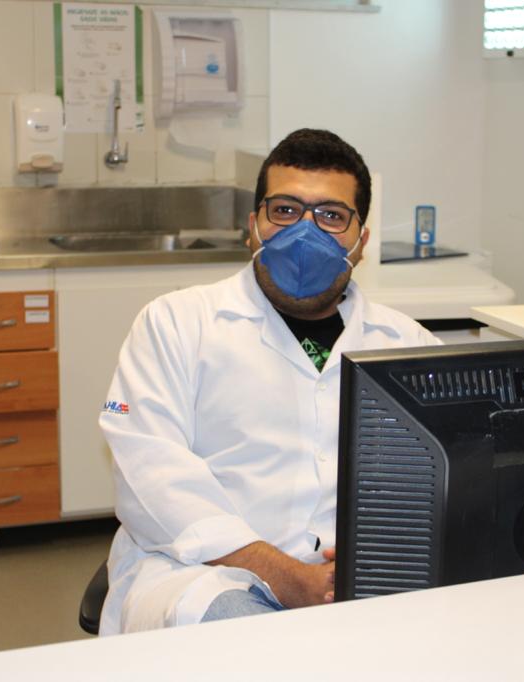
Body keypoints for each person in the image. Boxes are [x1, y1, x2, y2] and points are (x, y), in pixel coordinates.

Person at [98, 128, 441, 634]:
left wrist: (368, 561)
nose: (304, 232)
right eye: (284, 210)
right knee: (253, 642)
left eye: (331, 216)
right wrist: (286, 576)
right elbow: (150, 476)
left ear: (361, 242)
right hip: (204, 575)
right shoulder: (176, 323)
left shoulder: (407, 344)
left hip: (358, 578)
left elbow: (441, 482)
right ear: (252, 226)